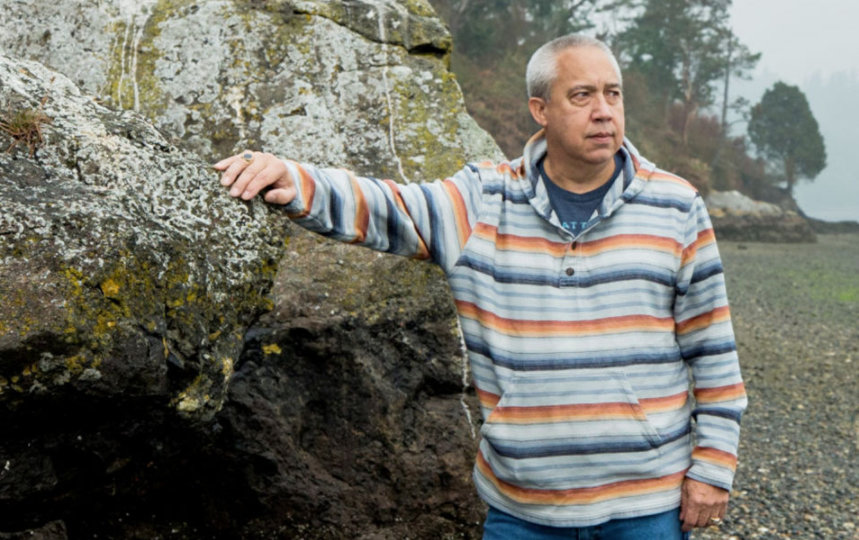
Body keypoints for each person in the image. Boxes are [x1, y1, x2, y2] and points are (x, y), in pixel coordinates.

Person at [215, 34, 746, 539]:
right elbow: (388, 206)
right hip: (523, 510)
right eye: (581, 96)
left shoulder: (675, 206)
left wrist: (714, 468)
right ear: (540, 109)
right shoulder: (483, 201)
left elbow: (713, 349)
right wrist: (291, 177)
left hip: (647, 505)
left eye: (612, 94)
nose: (604, 111)